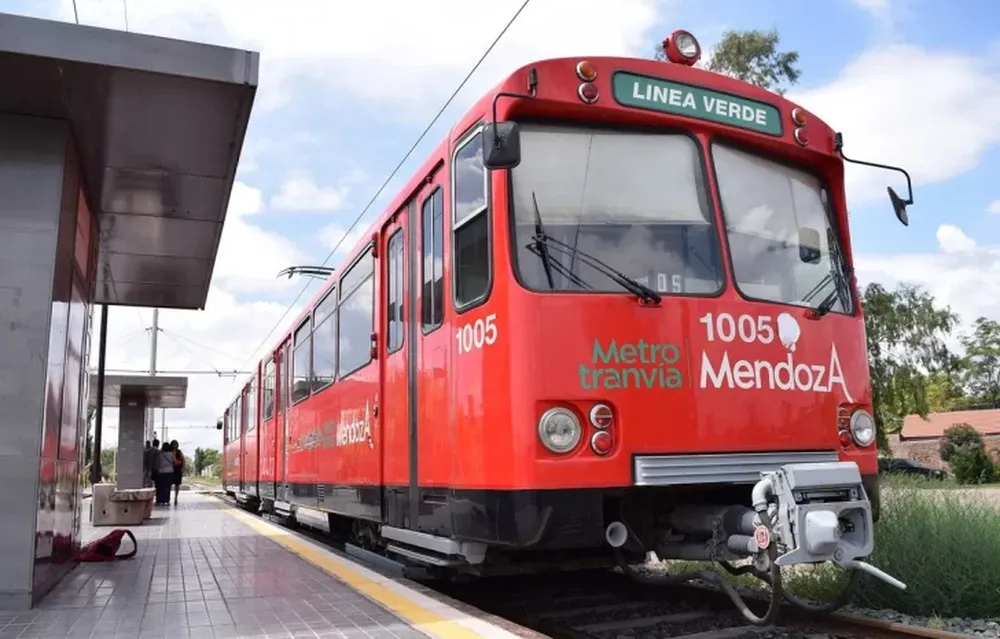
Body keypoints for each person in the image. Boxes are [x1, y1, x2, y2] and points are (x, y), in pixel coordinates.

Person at [154, 441, 175, 505]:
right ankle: (167, 500)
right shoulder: (172, 454)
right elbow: (174, 461)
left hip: (161, 472)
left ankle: (160, 500)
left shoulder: (159, 454)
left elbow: (157, 463)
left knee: (161, 487)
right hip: (169, 472)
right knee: (168, 487)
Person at [170, 440, 185, 506]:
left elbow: (183, 460)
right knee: (169, 484)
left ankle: (176, 497)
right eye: (173, 444)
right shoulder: (169, 452)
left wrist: (183, 468)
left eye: (176, 444)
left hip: (178, 470)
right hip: (171, 469)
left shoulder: (179, 452)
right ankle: (169, 496)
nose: (175, 445)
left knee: (177, 484)